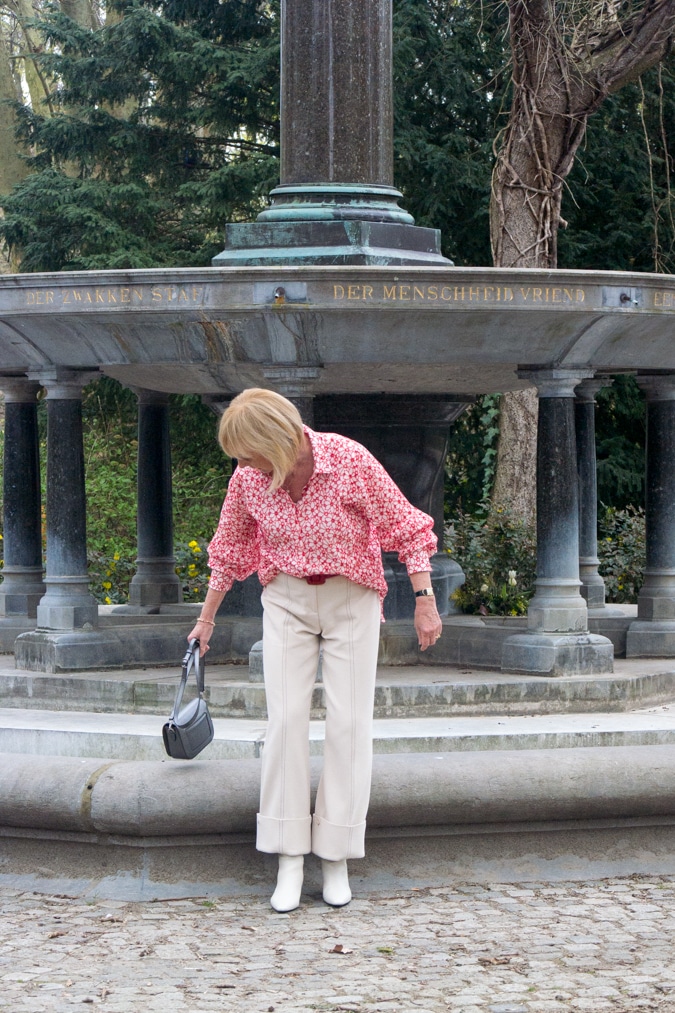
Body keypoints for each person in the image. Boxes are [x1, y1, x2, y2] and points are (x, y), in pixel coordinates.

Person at [188, 388, 443, 912]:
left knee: (350, 724)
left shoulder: (347, 459)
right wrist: (205, 619)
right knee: (285, 722)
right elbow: (230, 548)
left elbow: (407, 526)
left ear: (276, 440)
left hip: (352, 595)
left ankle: (336, 857)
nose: (241, 464)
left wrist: (424, 601)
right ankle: (287, 858)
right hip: (286, 598)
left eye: (248, 452)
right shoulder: (248, 479)